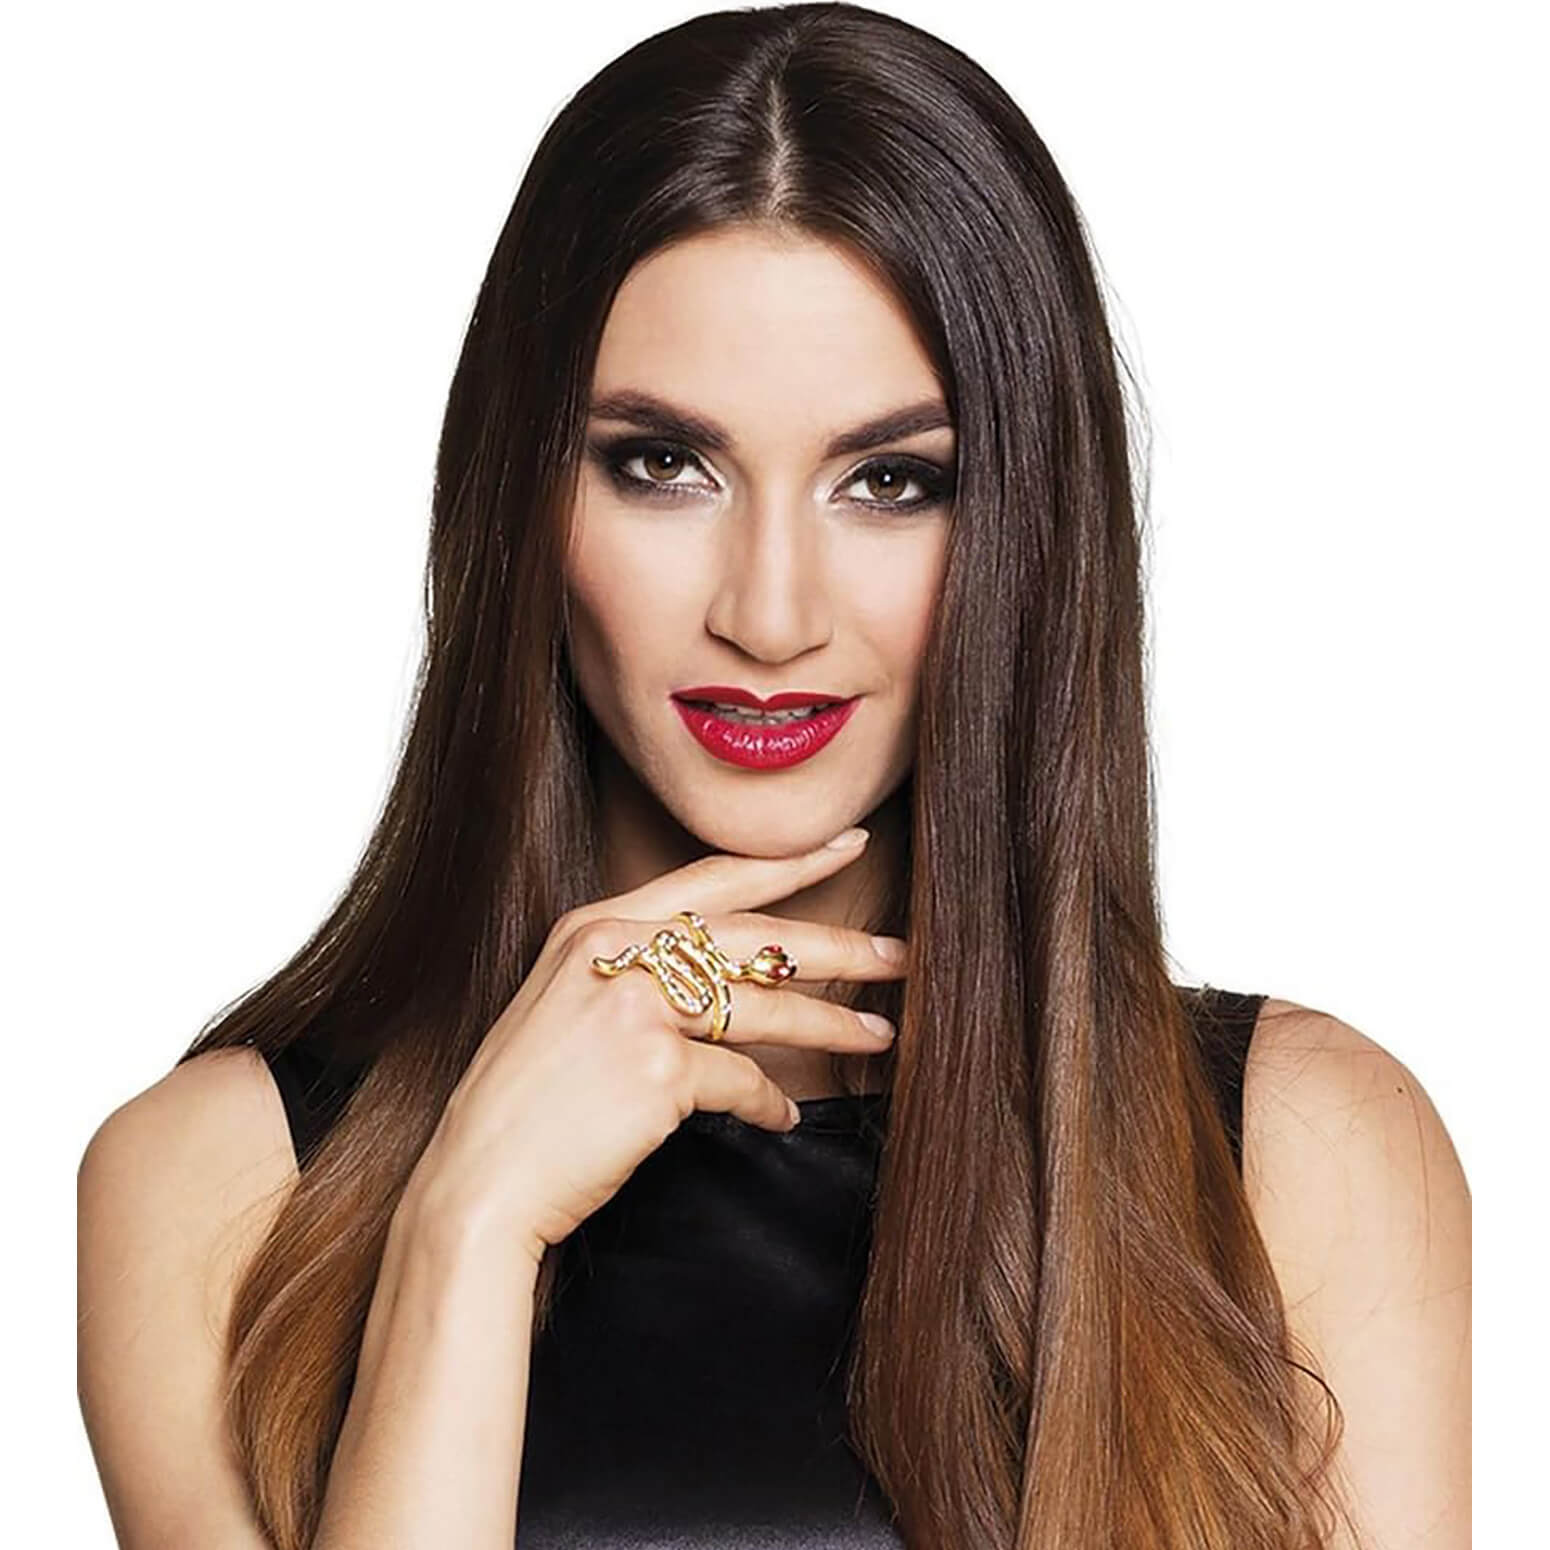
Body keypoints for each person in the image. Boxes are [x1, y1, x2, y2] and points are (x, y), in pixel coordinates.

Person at [76, 5, 1470, 1548]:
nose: (768, 611)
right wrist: (464, 1228)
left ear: (1022, 529)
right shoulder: (218, 1183)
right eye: (661, 464)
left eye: (891, 480)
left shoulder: (1300, 1150)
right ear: (520, 495)